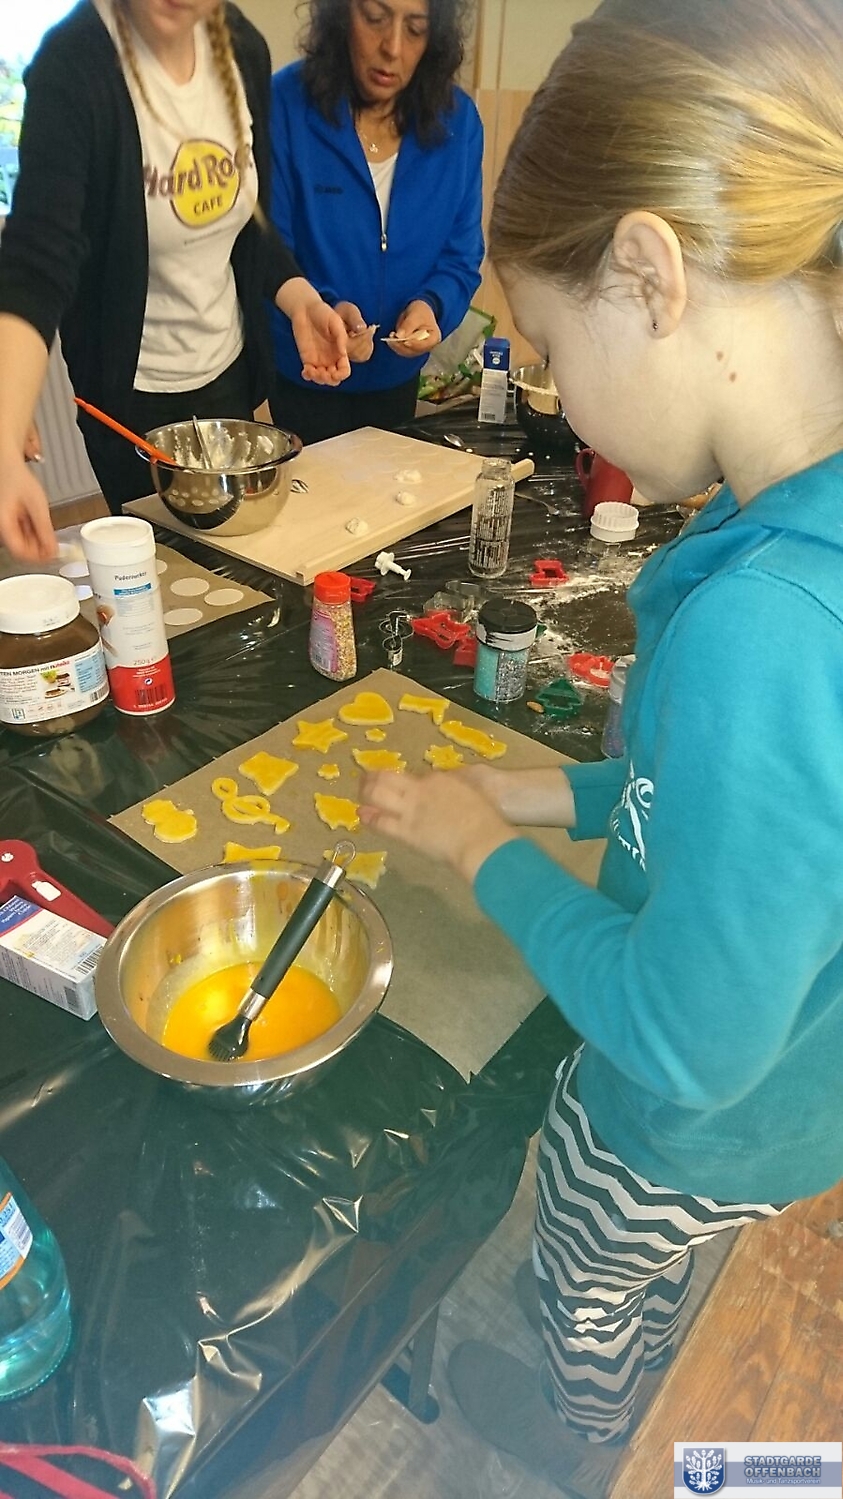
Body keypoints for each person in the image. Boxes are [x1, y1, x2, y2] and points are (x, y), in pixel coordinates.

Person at [360, 0, 843, 1491]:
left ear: (646, 273)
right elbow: (728, 807)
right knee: (661, 1255)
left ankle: (589, 1434)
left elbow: (687, 1036)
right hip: (797, 1095)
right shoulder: (795, 533)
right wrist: (533, 787)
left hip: (689, 1125)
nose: (559, 393)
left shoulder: (763, 628)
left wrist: (482, 853)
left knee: (586, 1255)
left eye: (551, 346)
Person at [0, 0, 352, 562]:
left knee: (242, 569)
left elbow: (248, 223)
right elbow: (36, 265)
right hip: (126, 398)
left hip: (228, 376)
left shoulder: (242, 48)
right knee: (163, 575)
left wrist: (300, 299)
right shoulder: (76, 64)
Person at [268, 0, 483, 445]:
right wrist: (324, 307)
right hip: (305, 373)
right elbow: (268, 248)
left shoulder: (458, 122)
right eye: (375, 19)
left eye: (416, 29)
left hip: (398, 378)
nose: (393, 48)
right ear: (341, 15)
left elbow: (461, 256)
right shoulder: (285, 105)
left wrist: (432, 305)